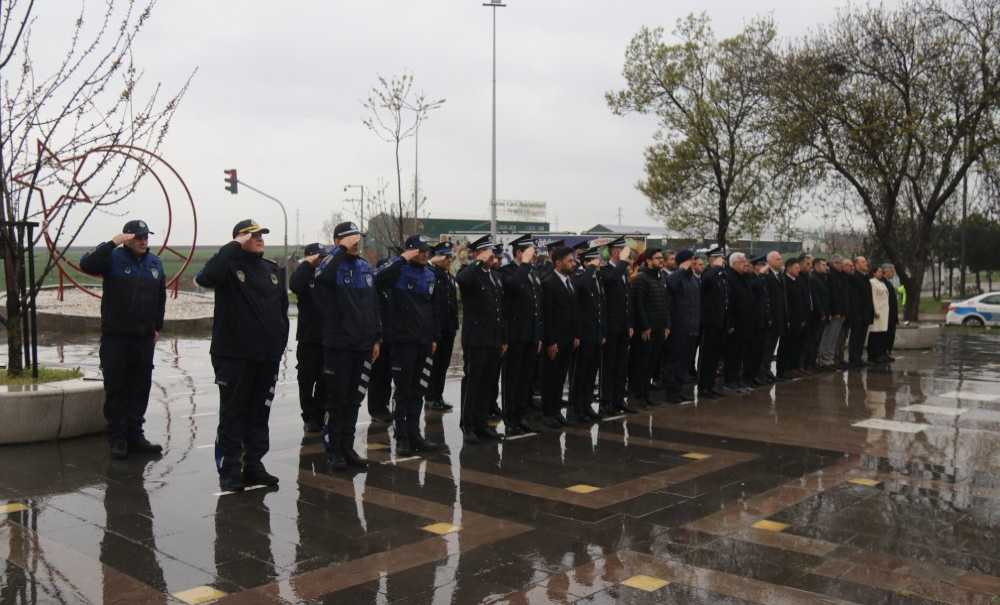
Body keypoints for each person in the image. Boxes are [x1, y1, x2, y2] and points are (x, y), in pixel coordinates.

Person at [196, 219, 288, 491]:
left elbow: (281, 311)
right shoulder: (227, 266)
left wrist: (278, 345)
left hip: (266, 356)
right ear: (239, 238)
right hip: (234, 355)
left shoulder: (271, 269)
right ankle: (230, 470)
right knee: (233, 413)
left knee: (259, 414)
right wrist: (235, 245)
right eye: (253, 234)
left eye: (262, 234)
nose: (259, 238)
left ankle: (254, 465)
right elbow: (205, 277)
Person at [80, 219, 166, 460]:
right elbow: (87, 264)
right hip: (116, 337)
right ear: (127, 238)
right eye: (137, 237)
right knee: (117, 388)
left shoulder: (154, 263)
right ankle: (118, 438)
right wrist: (112, 242)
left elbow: (160, 297)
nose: (143, 241)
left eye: (146, 236)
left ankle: (135, 436)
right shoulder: (113, 258)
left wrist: (157, 326)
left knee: (140, 388)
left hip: (143, 339)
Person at [314, 222, 381, 470]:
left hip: (362, 345)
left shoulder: (364, 267)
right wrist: (340, 250)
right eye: (351, 239)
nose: (357, 243)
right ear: (339, 240)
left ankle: (347, 447)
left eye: (358, 238)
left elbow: (373, 306)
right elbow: (321, 277)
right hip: (338, 345)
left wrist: (376, 337)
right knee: (337, 400)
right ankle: (333, 451)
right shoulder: (331, 266)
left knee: (354, 400)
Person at [375, 235, 442, 455]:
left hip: (423, 341)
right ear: (411, 251)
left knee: (418, 391)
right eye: (420, 250)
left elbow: (433, 309)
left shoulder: (431, 274)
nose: (425, 254)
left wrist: (434, 337)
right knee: (402, 392)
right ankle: (402, 437)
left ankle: (415, 434)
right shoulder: (397, 271)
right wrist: (402, 259)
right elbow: (379, 279)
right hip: (403, 342)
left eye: (427, 250)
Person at [456, 235, 506, 444]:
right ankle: (468, 426)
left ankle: (482, 423)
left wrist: (502, 338)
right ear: (477, 253)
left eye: (491, 251)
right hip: (476, 340)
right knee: (473, 383)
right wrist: (477, 261)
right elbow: (463, 280)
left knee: (487, 384)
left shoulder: (492, 275)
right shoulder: (470, 272)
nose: (490, 255)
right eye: (486, 251)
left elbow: (498, 310)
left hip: (493, 339)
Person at [500, 235, 543, 435]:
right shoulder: (507, 272)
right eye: (529, 251)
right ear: (519, 252)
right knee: (512, 379)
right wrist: (524, 264)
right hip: (515, 335)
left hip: (530, 335)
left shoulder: (532, 272)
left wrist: (539, 335)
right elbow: (512, 287)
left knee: (525, 379)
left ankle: (520, 416)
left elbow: (537, 305)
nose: (534, 255)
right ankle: (510, 418)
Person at [289, 243, 326, 434]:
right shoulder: (304, 276)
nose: (321, 261)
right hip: (308, 338)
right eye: (318, 257)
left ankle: (319, 416)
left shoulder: (326, 275)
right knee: (306, 380)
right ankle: (308, 416)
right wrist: (307, 264)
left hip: (327, 339)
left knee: (324, 380)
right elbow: (294, 284)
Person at [541, 246, 579, 429]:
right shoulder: (549, 283)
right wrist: (550, 341)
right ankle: (548, 413)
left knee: (560, 377)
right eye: (569, 260)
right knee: (551, 378)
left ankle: (556, 412)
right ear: (557, 263)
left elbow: (572, 312)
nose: (573, 263)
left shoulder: (569, 281)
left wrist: (575, 336)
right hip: (555, 341)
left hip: (568, 339)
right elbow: (547, 315)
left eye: (573, 260)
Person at [568, 245, 606, 423]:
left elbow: (600, 306)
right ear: (586, 262)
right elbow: (581, 286)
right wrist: (590, 268)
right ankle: (576, 408)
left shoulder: (596, 277)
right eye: (594, 260)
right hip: (583, 334)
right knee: (580, 373)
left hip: (596, 333)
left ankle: (586, 405)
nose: (598, 262)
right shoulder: (579, 276)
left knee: (591, 373)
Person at [599, 237, 635, 415]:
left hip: (623, 326)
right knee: (609, 365)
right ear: (614, 251)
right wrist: (622, 262)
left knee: (622, 366)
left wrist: (629, 323)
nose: (625, 253)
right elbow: (611, 281)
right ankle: (606, 403)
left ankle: (619, 401)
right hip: (610, 326)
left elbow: (626, 300)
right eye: (622, 249)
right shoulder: (606, 270)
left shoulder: (623, 272)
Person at [630, 249, 669, 407]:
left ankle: (646, 394)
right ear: (647, 261)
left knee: (652, 363)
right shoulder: (641, 279)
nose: (661, 260)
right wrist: (645, 327)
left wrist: (667, 325)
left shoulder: (660, 278)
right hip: (647, 330)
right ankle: (638, 395)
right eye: (657, 258)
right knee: (642, 363)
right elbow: (638, 305)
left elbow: (665, 304)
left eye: (662, 257)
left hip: (660, 328)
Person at [426, 241, 459, 411]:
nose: (449, 260)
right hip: (436, 329)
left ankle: (438, 395)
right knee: (435, 365)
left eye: (450, 256)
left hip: (449, 328)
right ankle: (431, 397)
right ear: (437, 257)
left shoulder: (449, 277)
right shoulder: (431, 274)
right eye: (446, 256)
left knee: (443, 365)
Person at [664, 249, 699, 403]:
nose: (694, 262)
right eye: (692, 259)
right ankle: (671, 392)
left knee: (685, 361)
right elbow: (671, 288)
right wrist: (682, 269)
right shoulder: (676, 277)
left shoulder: (693, 279)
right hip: (679, 327)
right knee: (675, 361)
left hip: (692, 326)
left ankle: (679, 389)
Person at [367, 252, 397, 425]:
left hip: (392, 337)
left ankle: (383, 406)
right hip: (379, 339)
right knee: (378, 377)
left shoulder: (391, 290)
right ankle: (376, 409)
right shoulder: (376, 290)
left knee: (387, 376)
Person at [698, 248, 730, 399]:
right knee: (707, 357)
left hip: (720, 322)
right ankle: (703, 387)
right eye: (719, 259)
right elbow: (706, 285)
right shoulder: (708, 274)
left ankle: (710, 386)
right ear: (712, 259)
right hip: (710, 322)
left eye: (722, 259)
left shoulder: (720, 275)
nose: (722, 261)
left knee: (715, 356)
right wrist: (715, 267)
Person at [723, 252, 753, 391]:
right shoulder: (729, 277)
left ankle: (738, 379)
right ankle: (730, 381)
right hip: (734, 323)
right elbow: (729, 302)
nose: (745, 263)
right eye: (742, 261)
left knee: (741, 353)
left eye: (745, 260)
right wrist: (730, 323)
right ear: (733, 263)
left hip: (745, 321)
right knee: (732, 354)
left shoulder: (744, 277)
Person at [779, 256, 808, 377]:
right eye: (796, 268)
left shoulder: (798, 280)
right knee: (786, 345)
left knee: (796, 345)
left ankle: (793, 367)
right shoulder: (784, 281)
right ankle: (783, 370)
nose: (798, 270)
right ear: (789, 268)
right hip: (789, 320)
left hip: (799, 319)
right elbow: (786, 302)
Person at [746, 255, 773, 386]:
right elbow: (753, 289)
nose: (764, 268)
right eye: (761, 265)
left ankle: (756, 374)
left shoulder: (762, 279)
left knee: (760, 350)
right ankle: (749, 376)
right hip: (753, 320)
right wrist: (761, 275)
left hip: (763, 319)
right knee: (752, 351)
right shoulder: (751, 278)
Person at [820, 255, 848, 369]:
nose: (842, 265)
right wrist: (835, 311)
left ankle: (830, 359)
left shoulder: (840, 276)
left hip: (841, 311)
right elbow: (832, 295)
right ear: (834, 263)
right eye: (840, 263)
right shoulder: (830, 275)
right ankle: (825, 359)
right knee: (829, 337)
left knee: (834, 337)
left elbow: (843, 295)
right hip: (834, 312)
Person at [762, 251, 787, 381]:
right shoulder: (766, 275)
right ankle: (763, 371)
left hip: (779, 317)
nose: (781, 261)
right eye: (778, 259)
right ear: (770, 261)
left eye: (781, 258)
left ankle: (767, 371)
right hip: (770, 318)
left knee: (771, 347)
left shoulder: (780, 275)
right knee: (766, 347)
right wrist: (769, 317)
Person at [847, 256, 875, 367]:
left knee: (862, 337)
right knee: (855, 337)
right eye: (863, 262)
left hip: (865, 314)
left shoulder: (865, 277)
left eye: (865, 261)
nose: (866, 264)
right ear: (857, 265)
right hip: (857, 314)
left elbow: (868, 297)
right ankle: (853, 359)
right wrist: (857, 313)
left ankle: (858, 357)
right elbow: (854, 298)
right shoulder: (854, 277)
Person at [868, 266, 891, 363]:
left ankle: (881, 354)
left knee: (882, 333)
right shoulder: (872, 282)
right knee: (875, 333)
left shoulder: (882, 283)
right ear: (874, 273)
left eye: (882, 272)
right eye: (879, 271)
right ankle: (873, 355)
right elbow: (873, 297)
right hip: (878, 312)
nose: (881, 273)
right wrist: (875, 311)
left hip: (884, 311)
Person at [881, 263, 900, 360]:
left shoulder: (888, 282)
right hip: (886, 315)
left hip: (891, 314)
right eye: (892, 271)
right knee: (886, 335)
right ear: (886, 271)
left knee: (890, 334)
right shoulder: (882, 283)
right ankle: (884, 352)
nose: (894, 273)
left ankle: (887, 352)